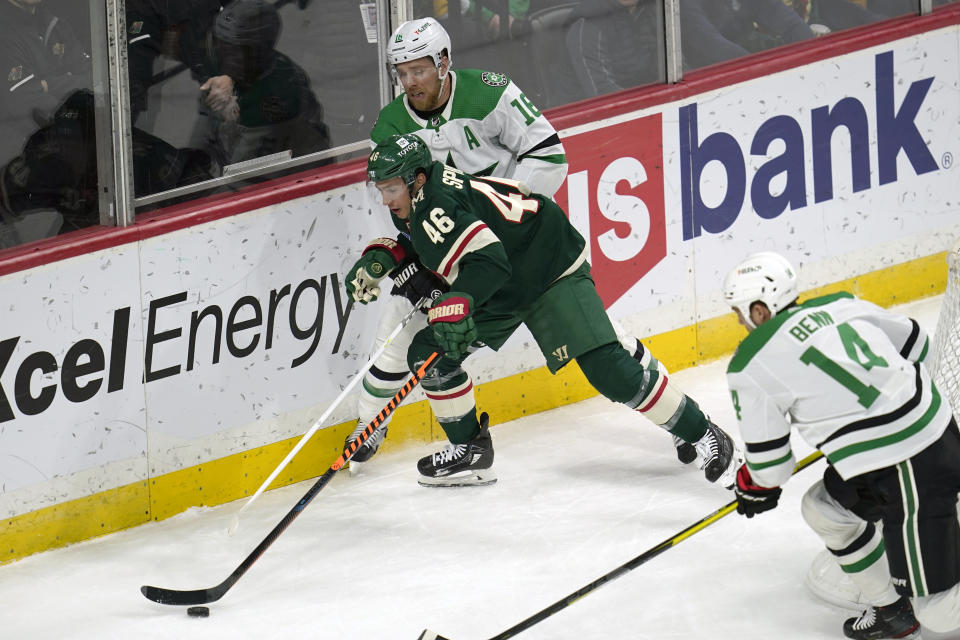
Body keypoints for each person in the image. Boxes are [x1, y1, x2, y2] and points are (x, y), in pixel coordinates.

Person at [347, 17, 695, 473]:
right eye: (402, 73)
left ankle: (686, 423)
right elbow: (395, 198)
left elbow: (549, 154)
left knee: (600, 344)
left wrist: (498, 220)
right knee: (401, 332)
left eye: (420, 70)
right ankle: (369, 427)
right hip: (450, 249)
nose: (410, 82)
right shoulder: (391, 123)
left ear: (444, 62)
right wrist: (413, 253)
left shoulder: (490, 92)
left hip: (516, 242)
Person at [348, 132, 742, 489]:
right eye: (381, 189)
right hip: (504, 283)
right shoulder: (423, 195)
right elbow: (448, 242)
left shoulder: (436, 202)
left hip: (547, 266)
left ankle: (703, 431)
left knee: (608, 369)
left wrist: (460, 299)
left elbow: (488, 259)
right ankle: (472, 452)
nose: (386, 199)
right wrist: (385, 255)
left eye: (392, 188)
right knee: (429, 354)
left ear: (417, 179)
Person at [722, 252, 960, 639]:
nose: (739, 322)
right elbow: (917, 344)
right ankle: (893, 610)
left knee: (939, 611)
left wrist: (752, 486)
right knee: (823, 508)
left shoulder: (750, 364)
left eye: (740, 312)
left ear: (760, 309)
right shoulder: (838, 304)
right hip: (933, 431)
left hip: (907, 465)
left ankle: (917, 602)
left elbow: (772, 468)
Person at [188, 0, 330, 173]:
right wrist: (193, 157)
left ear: (259, 51)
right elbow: (206, 121)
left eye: (235, 51)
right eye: (222, 47)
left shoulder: (280, 92)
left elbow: (242, 173)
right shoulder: (229, 70)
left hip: (294, 176)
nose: (225, 58)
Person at [0, 0, 91, 174]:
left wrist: (47, 84)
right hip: (17, 164)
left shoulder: (55, 23)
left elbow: (93, 77)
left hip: (64, 154)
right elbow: (23, 100)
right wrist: (72, 88)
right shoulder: (4, 31)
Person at [564, 0, 665, 99]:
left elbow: (674, 65)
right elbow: (603, 93)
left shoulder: (656, 10)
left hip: (650, 99)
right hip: (601, 111)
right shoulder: (586, 28)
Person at [678, 0, 815, 70]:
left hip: (747, 63)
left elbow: (784, 18)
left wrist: (814, 55)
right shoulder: (681, 5)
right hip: (706, 82)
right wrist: (761, 72)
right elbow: (709, 43)